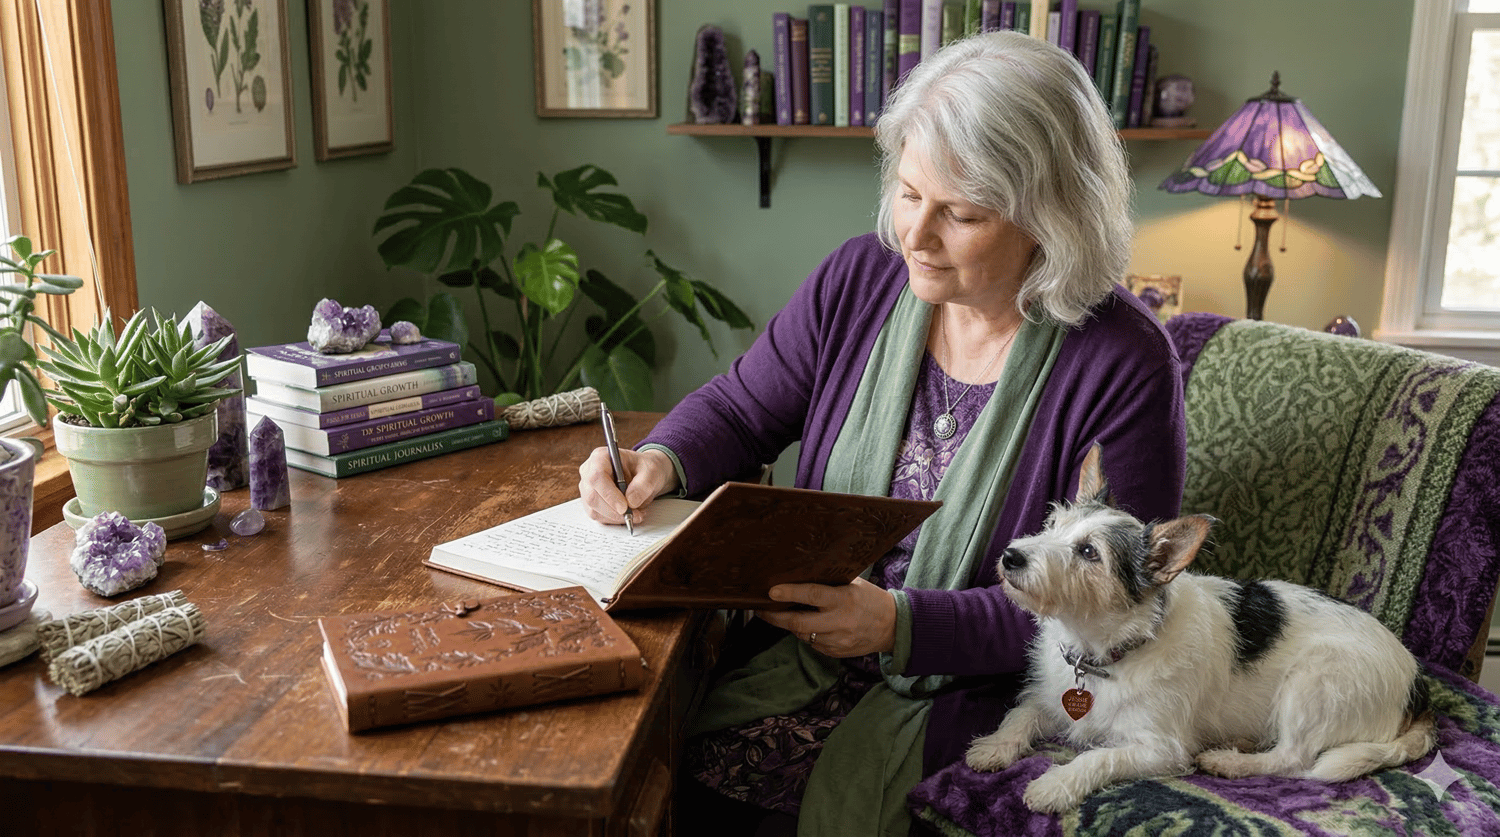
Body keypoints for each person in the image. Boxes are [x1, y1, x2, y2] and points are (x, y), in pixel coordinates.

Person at [577, 31, 1186, 837]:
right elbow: (740, 409)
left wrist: (902, 625)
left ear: (1051, 219)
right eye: (907, 192)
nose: (914, 234)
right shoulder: (857, 279)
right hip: (797, 653)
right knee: (632, 779)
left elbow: (1110, 609)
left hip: (978, 694)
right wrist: (659, 457)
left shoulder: (1126, 361)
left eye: (961, 213)